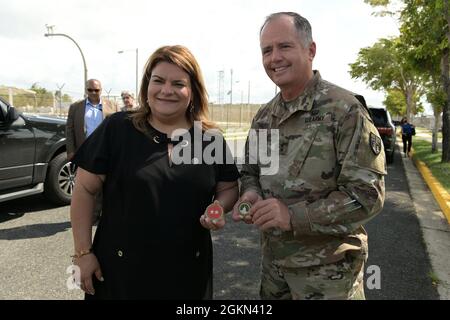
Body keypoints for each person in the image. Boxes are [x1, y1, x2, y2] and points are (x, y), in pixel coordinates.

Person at [232, 12, 386, 300]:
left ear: (310, 50)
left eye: (284, 46)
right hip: (274, 271)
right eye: (267, 50)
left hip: (329, 278)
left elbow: (368, 195)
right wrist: (251, 193)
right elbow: (250, 172)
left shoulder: (345, 111)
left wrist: (292, 216)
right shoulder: (265, 117)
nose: (274, 57)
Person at [70, 45, 240, 300]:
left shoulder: (210, 140)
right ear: (147, 86)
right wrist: (83, 254)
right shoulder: (117, 129)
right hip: (119, 273)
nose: (166, 90)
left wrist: (217, 208)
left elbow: (228, 188)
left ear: (192, 91)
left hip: (187, 274)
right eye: (158, 80)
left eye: (178, 83)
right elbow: (84, 189)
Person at [66, 79, 118, 162]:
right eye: (90, 90)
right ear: (86, 90)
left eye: (96, 90)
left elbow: (118, 129)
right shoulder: (75, 107)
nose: (93, 92)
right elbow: (69, 130)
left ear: (101, 90)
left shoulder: (113, 106)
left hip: (106, 149)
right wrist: (70, 151)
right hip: (84, 149)